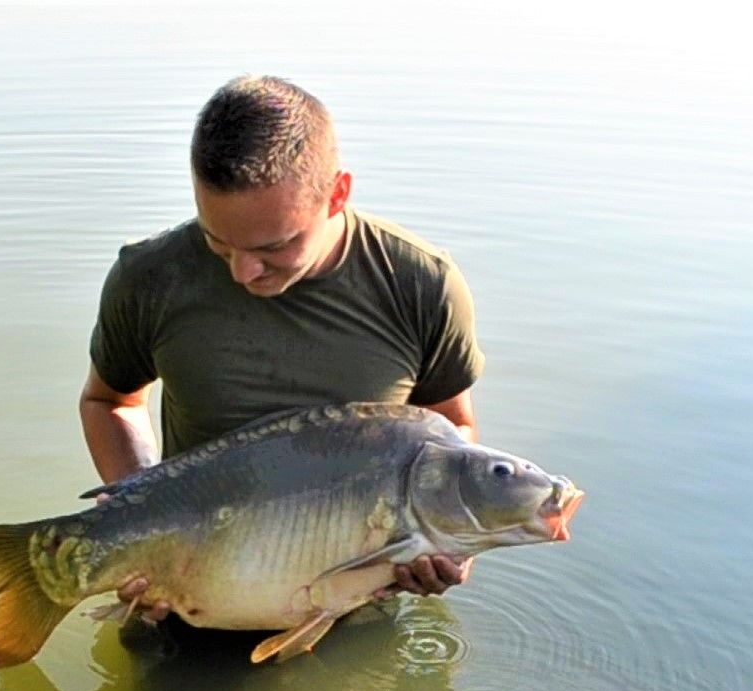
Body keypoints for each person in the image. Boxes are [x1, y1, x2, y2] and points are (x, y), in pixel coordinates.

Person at [79, 75, 489, 624]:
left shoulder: (420, 283)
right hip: (186, 597)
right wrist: (138, 516)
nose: (244, 271)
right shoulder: (151, 276)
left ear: (337, 194)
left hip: (354, 605)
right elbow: (110, 401)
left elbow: (450, 427)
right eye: (217, 241)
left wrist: (449, 541)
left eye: (276, 246)